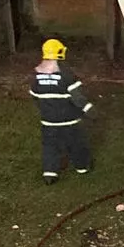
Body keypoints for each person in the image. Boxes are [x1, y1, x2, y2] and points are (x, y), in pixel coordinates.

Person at [31, 38, 93, 183]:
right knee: (76, 144)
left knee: (50, 147)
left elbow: (35, 96)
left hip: (48, 121)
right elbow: (77, 98)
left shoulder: (36, 75)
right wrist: (89, 110)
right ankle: (82, 167)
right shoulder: (66, 75)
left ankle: (49, 173)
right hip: (69, 121)